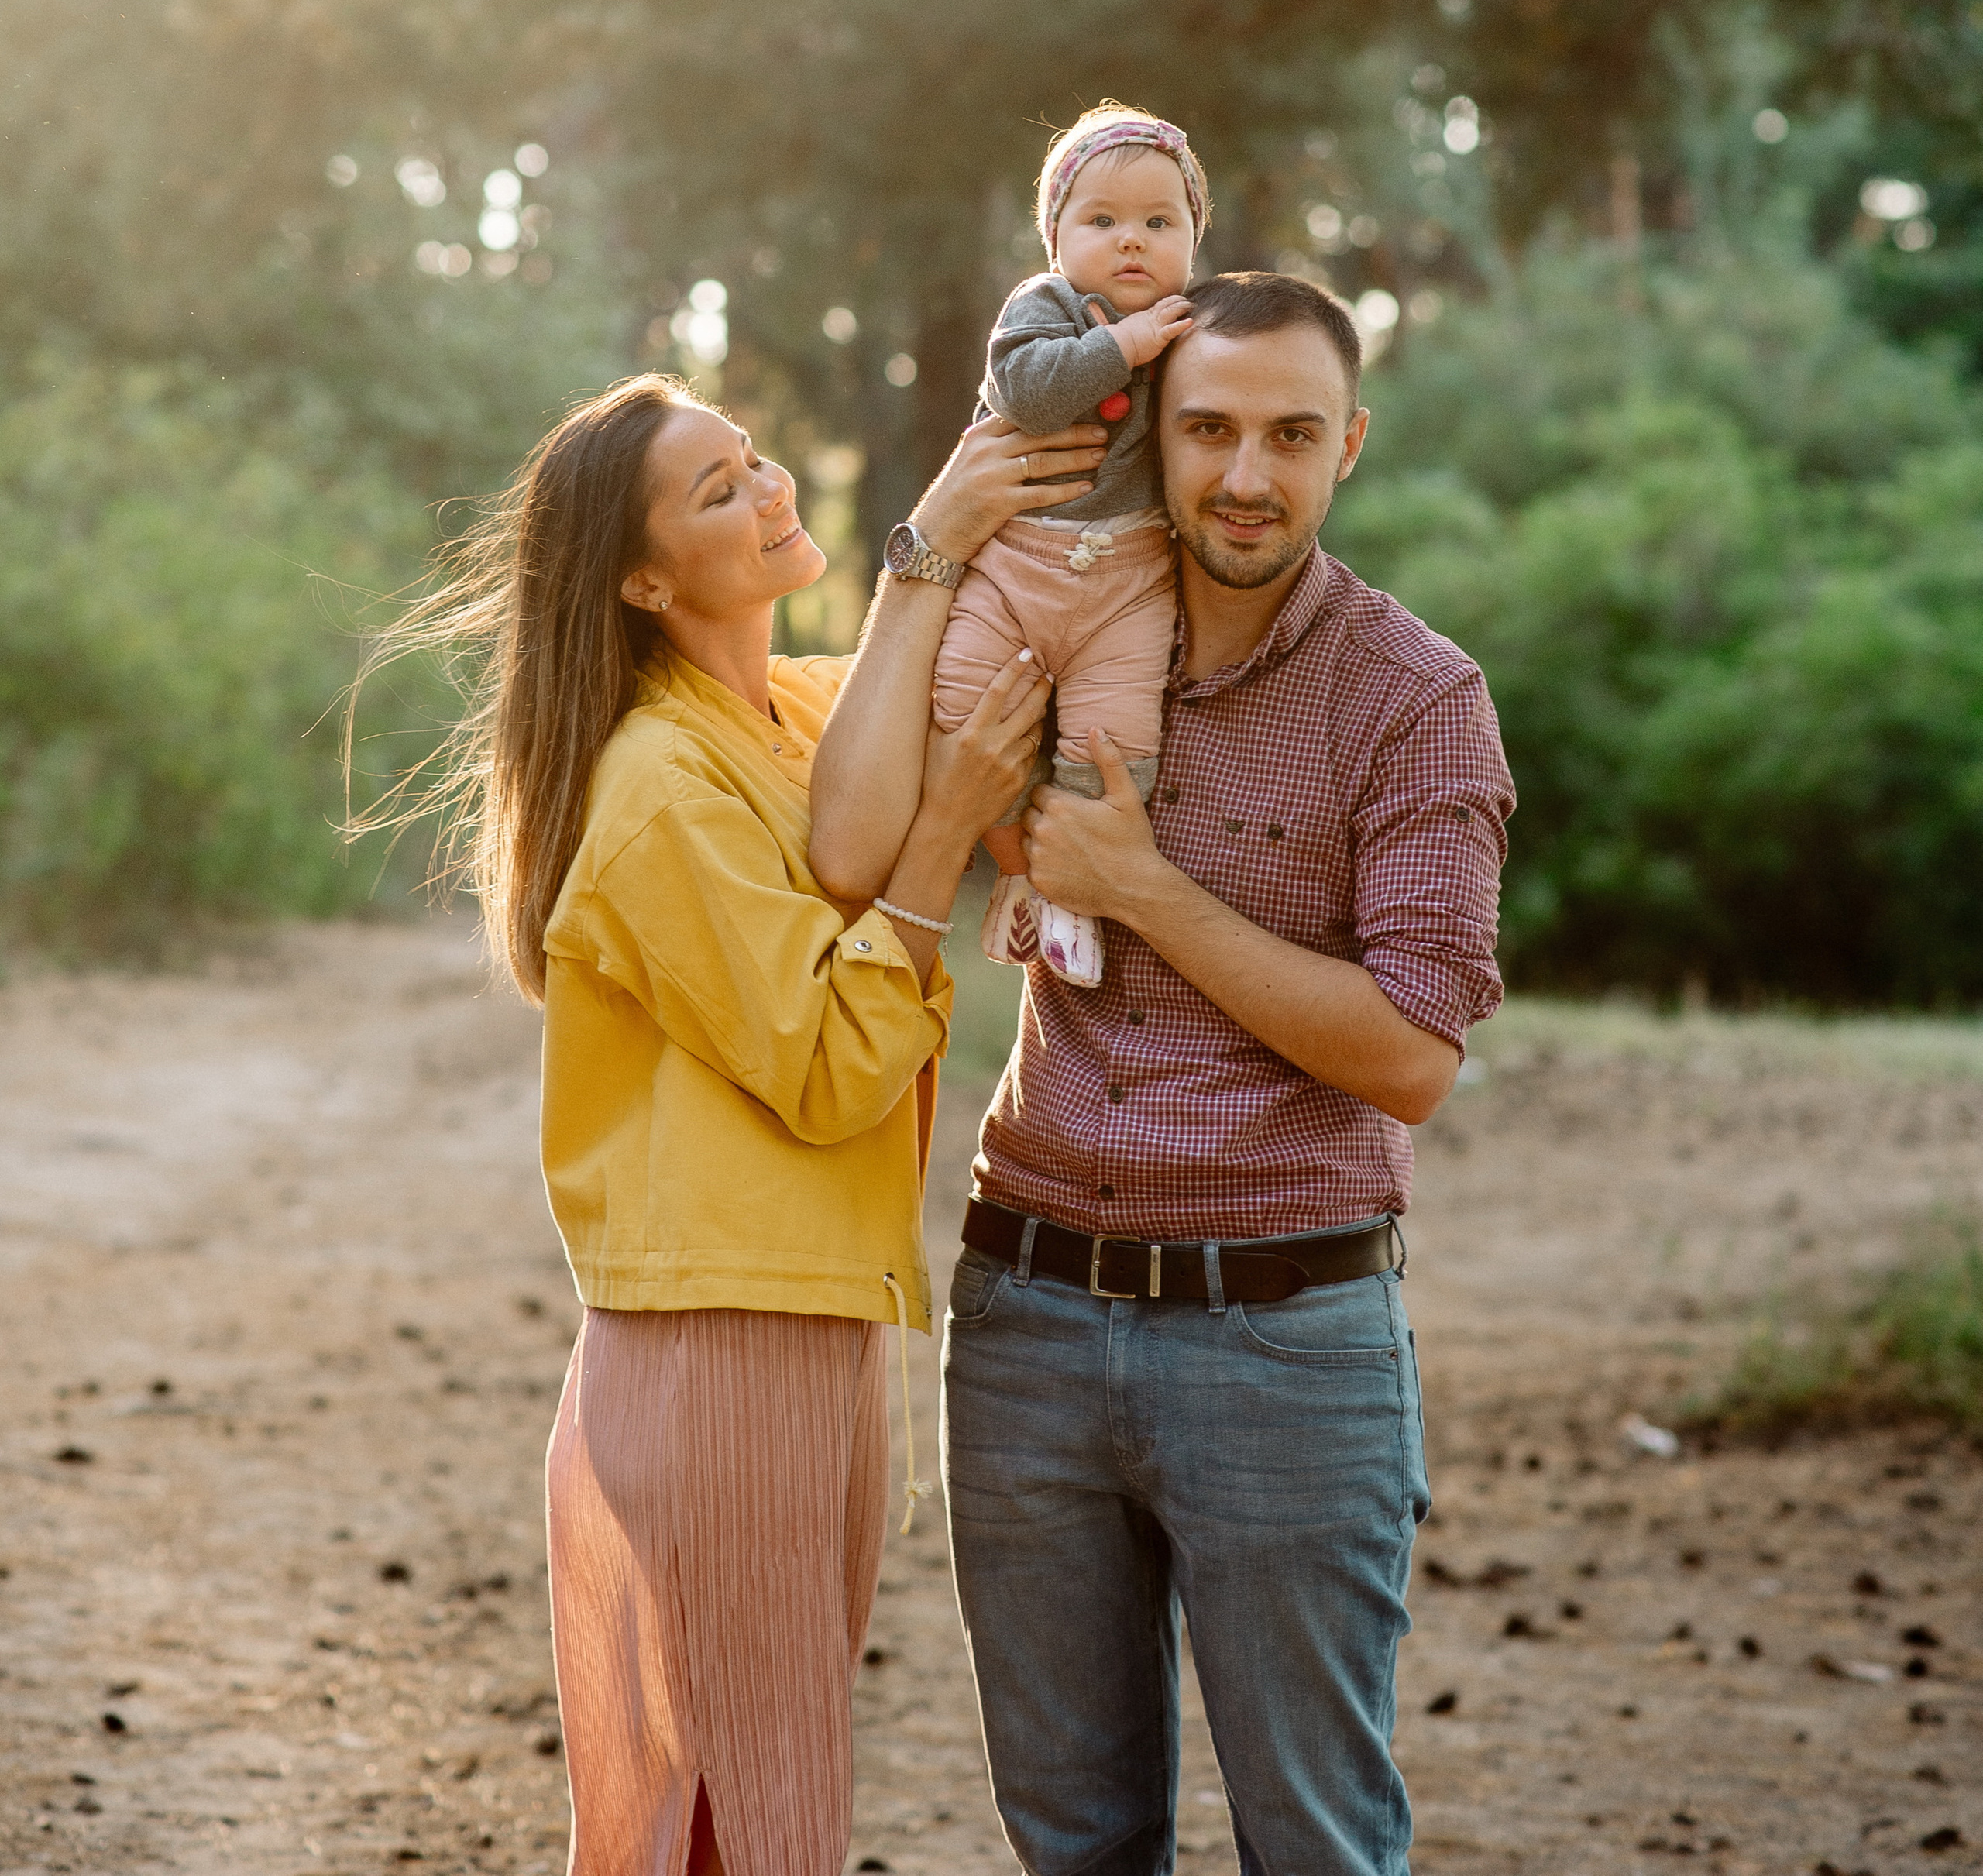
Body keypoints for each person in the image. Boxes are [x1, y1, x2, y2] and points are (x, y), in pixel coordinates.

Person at [351, 371, 1102, 1876]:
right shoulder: (654, 782)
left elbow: (972, 663)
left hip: (804, 1312)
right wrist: (940, 826)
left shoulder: (798, 711)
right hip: (718, 1338)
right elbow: (830, 1061)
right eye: (717, 490)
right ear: (642, 580)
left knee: (740, 1790)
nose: (768, 489)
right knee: (745, 1808)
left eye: (755, 458)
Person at [810, 272, 1514, 1876]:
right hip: (1025, 1319)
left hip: (1287, 1336)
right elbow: (851, 845)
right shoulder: (1041, 631)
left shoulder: (1414, 701)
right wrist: (925, 547)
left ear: (1350, 443)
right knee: (1070, 1841)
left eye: (1290, 435)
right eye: (1208, 430)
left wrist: (1141, 890)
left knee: (1315, 1843)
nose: (1245, 475)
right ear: (1150, 429)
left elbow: (1413, 1056)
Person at [933, 101, 1208, 987]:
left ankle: (1068, 898)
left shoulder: (1194, 328)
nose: (1132, 241)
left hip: (1128, 579)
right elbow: (1026, 392)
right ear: (1056, 239)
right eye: (1101, 221)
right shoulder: (1044, 306)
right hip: (1018, 560)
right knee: (961, 705)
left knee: (1115, 743)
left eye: (1159, 223)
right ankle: (1013, 867)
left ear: (1193, 241)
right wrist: (1123, 345)